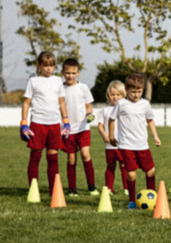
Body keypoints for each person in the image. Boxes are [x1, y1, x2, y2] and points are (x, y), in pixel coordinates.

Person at [20, 51, 69, 198]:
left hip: (54, 124)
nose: (49, 69)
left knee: (53, 157)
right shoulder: (33, 81)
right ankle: (32, 190)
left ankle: (53, 191)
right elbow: (26, 103)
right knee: (35, 157)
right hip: (37, 124)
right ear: (39, 66)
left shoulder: (57, 81)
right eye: (46, 66)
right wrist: (24, 123)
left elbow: (61, 102)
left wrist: (66, 121)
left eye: (52, 66)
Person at [108, 74, 161, 209]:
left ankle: (153, 197)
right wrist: (111, 137)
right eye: (133, 92)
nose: (137, 95)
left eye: (139, 91)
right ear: (126, 90)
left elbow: (150, 120)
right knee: (131, 174)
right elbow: (111, 119)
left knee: (150, 171)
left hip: (142, 145)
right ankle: (132, 200)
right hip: (126, 145)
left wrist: (155, 136)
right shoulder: (121, 104)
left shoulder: (145, 104)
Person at [61, 58, 99, 197]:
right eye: (67, 73)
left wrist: (89, 115)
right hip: (68, 131)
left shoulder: (83, 88)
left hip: (83, 129)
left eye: (73, 73)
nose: (70, 76)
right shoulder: (60, 89)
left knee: (85, 154)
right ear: (62, 73)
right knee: (71, 159)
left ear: (78, 73)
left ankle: (92, 186)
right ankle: (72, 188)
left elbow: (88, 105)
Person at [97, 80, 130, 196]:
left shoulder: (125, 109)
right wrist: (104, 135)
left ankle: (127, 188)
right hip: (109, 145)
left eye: (118, 95)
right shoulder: (105, 110)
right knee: (110, 166)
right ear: (108, 96)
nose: (115, 97)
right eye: (112, 94)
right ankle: (109, 188)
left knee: (124, 165)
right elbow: (100, 126)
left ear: (123, 95)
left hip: (123, 143)